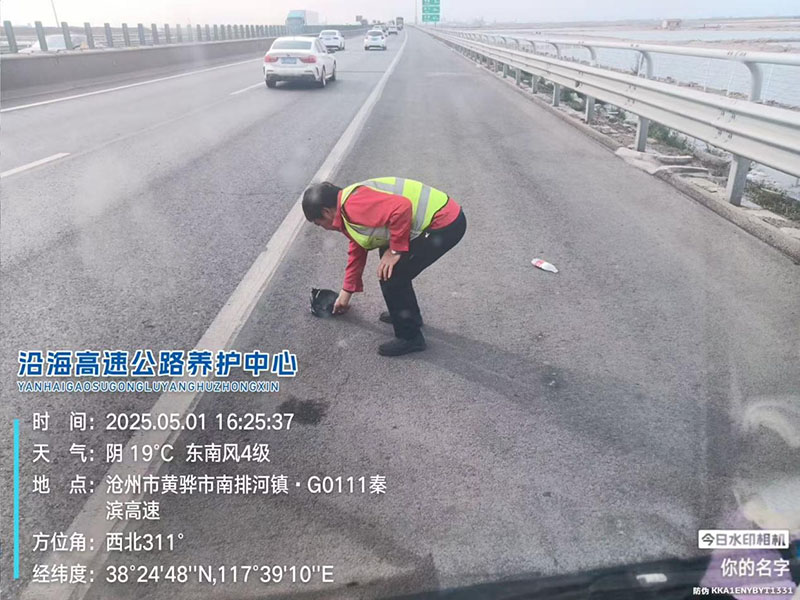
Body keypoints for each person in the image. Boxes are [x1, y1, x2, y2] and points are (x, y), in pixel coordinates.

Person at [302, 177, 466, 356]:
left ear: (326, 212)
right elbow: (358, 247)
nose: (323, 228)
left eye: (319, 223)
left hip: (444, 223)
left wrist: (395, 250)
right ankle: (407, 315)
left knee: (393, 274)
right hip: (440, 218)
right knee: (389, 265)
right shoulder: (347, 208)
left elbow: (402, 207)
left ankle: (410, 338)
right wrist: (346, 292)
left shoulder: (354, 206)